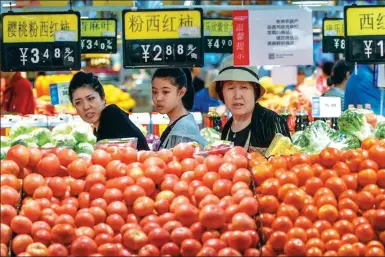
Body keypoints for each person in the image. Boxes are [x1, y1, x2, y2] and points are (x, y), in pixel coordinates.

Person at [209, 55, 291, 154]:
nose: (237, 95)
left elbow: (287, 163)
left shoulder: (273, 122)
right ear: (222, 93)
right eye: (230, 88)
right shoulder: (227, 128)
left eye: (244, 87)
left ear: (255, 91)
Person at [69, 71, 149, 150]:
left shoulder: (111, 116)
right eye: (78, 102)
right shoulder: (99, 125)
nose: (86, 107)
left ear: (103, 98)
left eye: (90, 98)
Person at [152, 68, 207, 150]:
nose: (158, 98)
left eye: (165, 92)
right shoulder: (177, 122)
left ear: (181, 93)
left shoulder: (184, 132)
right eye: (154, 92)